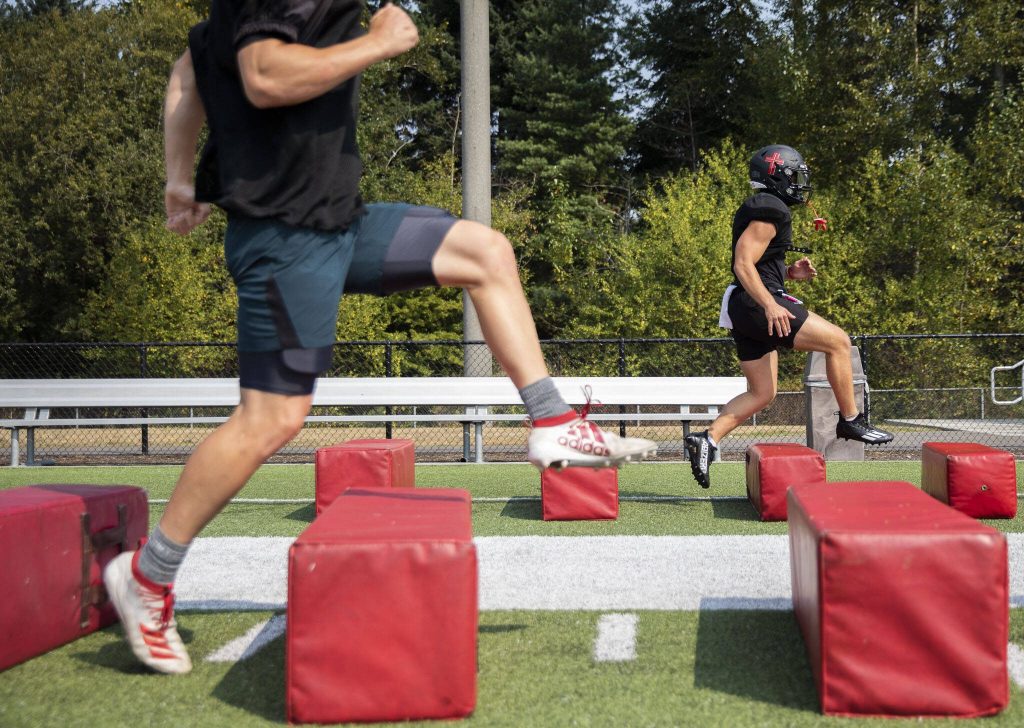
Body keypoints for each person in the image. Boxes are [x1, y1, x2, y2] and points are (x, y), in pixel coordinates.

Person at [103, 0, 656, 675]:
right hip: (285, 239)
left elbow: (187, 73)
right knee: (270, 418)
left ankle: (551, 420)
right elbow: (264, 77)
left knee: (485, 253)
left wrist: (179, 178)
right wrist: (377, 43)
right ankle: (150, 574)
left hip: (341, 224)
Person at [684, 144, 892, 489]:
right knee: (839, 343)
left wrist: (789, 273)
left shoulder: (768, 208)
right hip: (755, 303)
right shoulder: (771, 207)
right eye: (793, 176)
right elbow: (742, 263)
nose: (798, 183)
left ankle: (707, 439)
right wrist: (769, 302)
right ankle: (852, 420)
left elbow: (758, 264)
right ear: (776, 176)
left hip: (743, 303)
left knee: (763, 392)